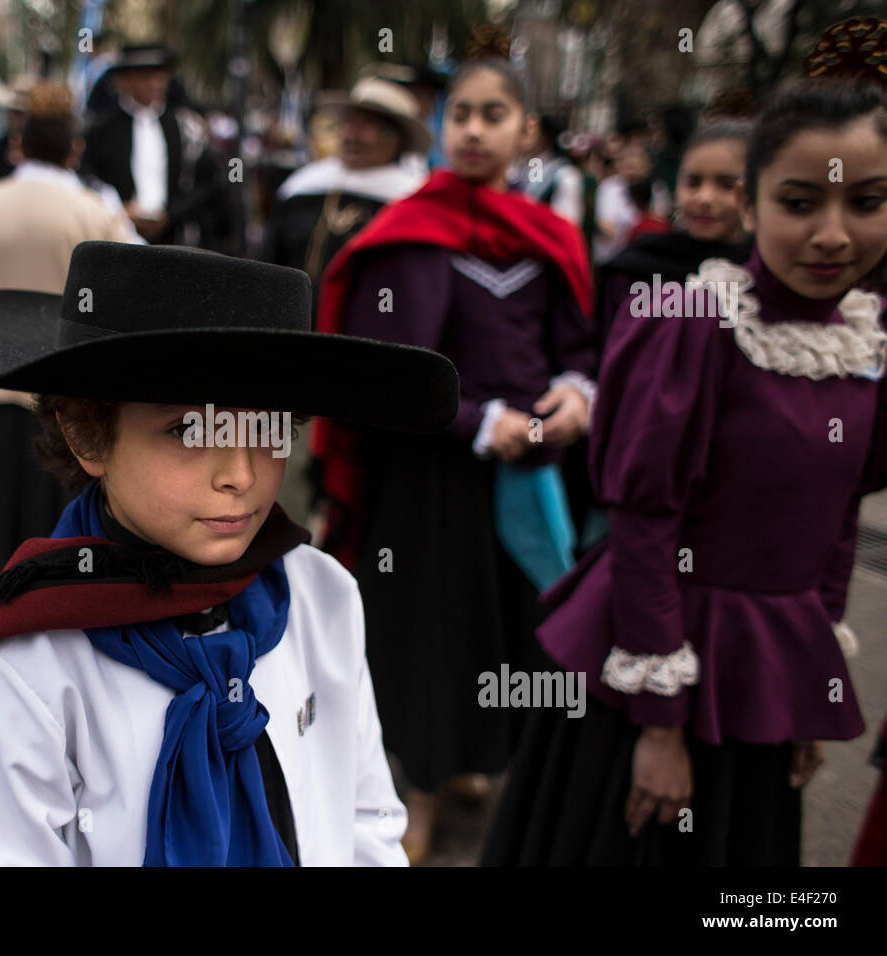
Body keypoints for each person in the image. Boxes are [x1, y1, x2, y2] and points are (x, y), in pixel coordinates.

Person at [0, 239, 460, 866]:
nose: (241, 474)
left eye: (269, 427)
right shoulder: (27, 669)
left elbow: (365, 820)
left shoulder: (318, 593)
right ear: (89, 431)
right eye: (189, 430)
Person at [482, 77, 887, 866]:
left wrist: (811, 689)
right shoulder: (692, 327)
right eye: (800, 203)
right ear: (752, 207)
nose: (834, 234)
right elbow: (643, 525)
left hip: (761, 685)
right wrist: (660, 725)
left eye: (867, 202)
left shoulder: (866, 342)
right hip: (649, 672)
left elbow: (837, 525)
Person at [309, 24, 596, 864]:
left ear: (525, 133)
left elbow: (581, 348)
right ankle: (415, 791)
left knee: (515, 629)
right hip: (431, 479)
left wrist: (578, 395)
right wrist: (482, 423)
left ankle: (481, 765)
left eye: (493, 114)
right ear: (441, 127)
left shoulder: (554, 237)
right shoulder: (408, 232)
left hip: (533, 480)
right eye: (460, 114)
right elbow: (383, 373)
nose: (473, 129)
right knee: (430, 637)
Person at [0, 82, 130, 587]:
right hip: (64, 395)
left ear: (19, 145)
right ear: (74, 150)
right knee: (52, 538)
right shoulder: (95, 212)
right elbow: (125, 292)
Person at [260, 77, 428, 293]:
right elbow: (270, 259)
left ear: (396, 138)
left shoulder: (411, 203)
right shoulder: (303, 187)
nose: (351, 135)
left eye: (366, 125)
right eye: (349, 122)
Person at [596, 120, 753, 344]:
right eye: (693, 182)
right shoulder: (638, 268)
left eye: (726, 184)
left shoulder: (766, 275)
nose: (704, 198)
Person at [80, 44, 230, 248]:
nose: (156, 83)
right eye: (145, 76)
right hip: (119, 238)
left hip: (173, 238)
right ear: (123, 81)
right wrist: (119, 208)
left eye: (161, 76)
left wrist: (171, 214)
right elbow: (87, 178)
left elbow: (207, 182)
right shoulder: (101, 130)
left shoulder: (185, 129)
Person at [517, 112, 584, 227]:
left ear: (546, 137)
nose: (522, 137)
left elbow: (568, 223)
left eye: (528, 132)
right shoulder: (519, 168)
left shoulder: (565, 175)